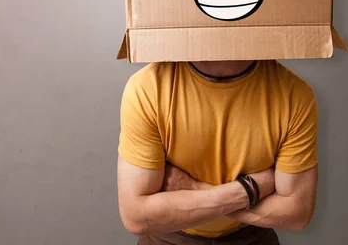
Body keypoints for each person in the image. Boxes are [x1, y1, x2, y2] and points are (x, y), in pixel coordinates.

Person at [116, 59, 319, 244]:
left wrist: (193, 188)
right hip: (168, 237)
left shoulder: (294, 93)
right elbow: (137, 217)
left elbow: (296, 214)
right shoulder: (149, 87)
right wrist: (249, 190)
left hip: (252, 237)